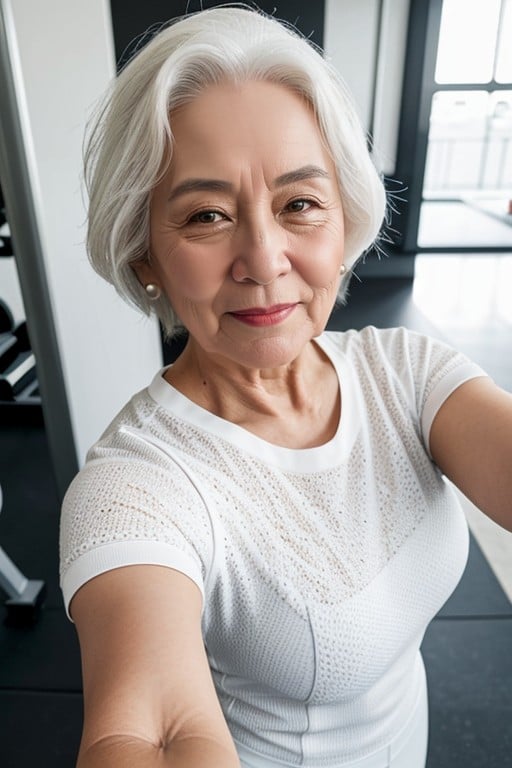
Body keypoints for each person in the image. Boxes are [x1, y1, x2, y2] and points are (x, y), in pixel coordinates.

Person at [59, 6, 512, 768]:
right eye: (207, 215)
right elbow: (149, 735)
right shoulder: (133, 487)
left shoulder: (406, 372)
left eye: (299, 204)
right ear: (144, 254)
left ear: (346, 217)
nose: (264, 260)